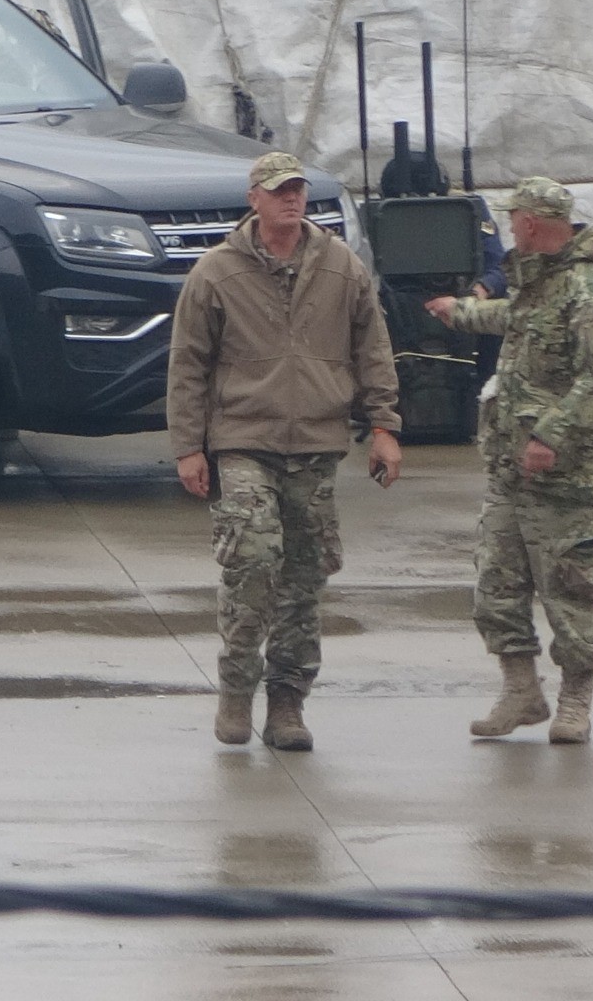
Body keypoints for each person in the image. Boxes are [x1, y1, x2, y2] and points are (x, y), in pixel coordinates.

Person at [169, 152, 403, 751]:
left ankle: (287, 703)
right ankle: (236, 689)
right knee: (253, 562)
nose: (291, 199)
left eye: (297, 189)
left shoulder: (341, 267)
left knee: (304, 579)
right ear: (254, 199)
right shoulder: (216, 273)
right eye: (278, 191)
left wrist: (384, 425)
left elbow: (373, 348)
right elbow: (188, 364)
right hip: (243, 441)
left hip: (316, 445)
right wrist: (188, 447)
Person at [425, 177, 593, 744]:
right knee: (497, 584)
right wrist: (460, 312)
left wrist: (551, 436)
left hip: (567, 477)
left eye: (514, 219)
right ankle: (521, 691)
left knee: (568, 589)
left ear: (531, 224)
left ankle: (575, 701)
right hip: (512, 470)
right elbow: (512, 317)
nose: (510, 228)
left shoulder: (587, 293)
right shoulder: (539, 285)